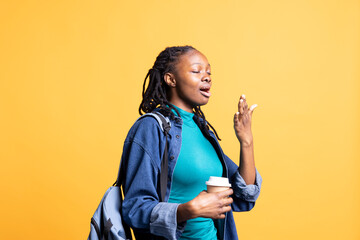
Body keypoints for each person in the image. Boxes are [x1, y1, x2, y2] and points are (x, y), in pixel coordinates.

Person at [120, 45, 262, 240]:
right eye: (196, 71)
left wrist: (246, 141)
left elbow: (243, 195)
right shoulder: (151, 128)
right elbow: (134, 209)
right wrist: (187, 210)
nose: (207, 77)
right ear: (171, 79)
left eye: (209, 72)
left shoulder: (203, 130)